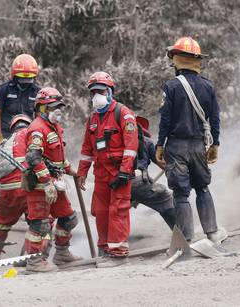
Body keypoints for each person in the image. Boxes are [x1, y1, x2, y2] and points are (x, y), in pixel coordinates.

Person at [155, 37, 227, 243]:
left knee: (180, 193)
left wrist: (160, 145)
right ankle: (213, 234)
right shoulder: (208, 86)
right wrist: (215, 144)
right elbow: (215, 119)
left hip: (176, 146)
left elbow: (165, 120)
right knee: (202, 188)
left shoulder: (170, 87)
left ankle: (186, 239)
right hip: (198, 145)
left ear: (176, 59)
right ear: (196, 60)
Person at [77, 71, 138, 268]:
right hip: (101, 174)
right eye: (93, 92)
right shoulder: (93, 119)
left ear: (110, 91)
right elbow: (87, 149)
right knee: (101, 212)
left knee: (117, 211)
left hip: (119, 173)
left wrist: (124, 171)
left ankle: (119, 254)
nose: (97, 96)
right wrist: (82, 173)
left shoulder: (123, 113)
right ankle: (104, 250)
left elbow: (131, 146)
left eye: (100, 91)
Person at [23, 87, 81, 273]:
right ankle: (34, 262)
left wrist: (70, 170)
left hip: (56, 182)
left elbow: (56, 156)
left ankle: (62, 253)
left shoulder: (54, 127)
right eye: (53, 106)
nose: (58, 110)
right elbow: (34, 157)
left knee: (69, 219)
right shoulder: (37, 129)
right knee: (40, 224)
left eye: (59, 106)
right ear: (42, 108)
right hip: (41, 184)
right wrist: (47, 182)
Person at [0, 114, 32, 261]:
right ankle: (30, 256)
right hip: (25, 187)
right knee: (39, 222)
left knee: (3, 223)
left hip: (6, 190)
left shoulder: (4, 143)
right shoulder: (31, 136)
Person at [131, 116, 176, 230]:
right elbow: (163, 163)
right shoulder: (146, 142)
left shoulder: (116, 142)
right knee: (165, 199)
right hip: (137, 181)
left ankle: (110, 243)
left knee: (116, 212)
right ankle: (182, 233)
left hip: (116, 183)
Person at [0, 54, 41, 144]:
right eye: (22, 77)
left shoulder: (37, 92)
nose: (25, 81)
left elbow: (39, 116)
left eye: (29, 78)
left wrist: (37, 136)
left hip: (28, 133)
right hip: (6, 133)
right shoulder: (4, 89)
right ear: (14, 75)